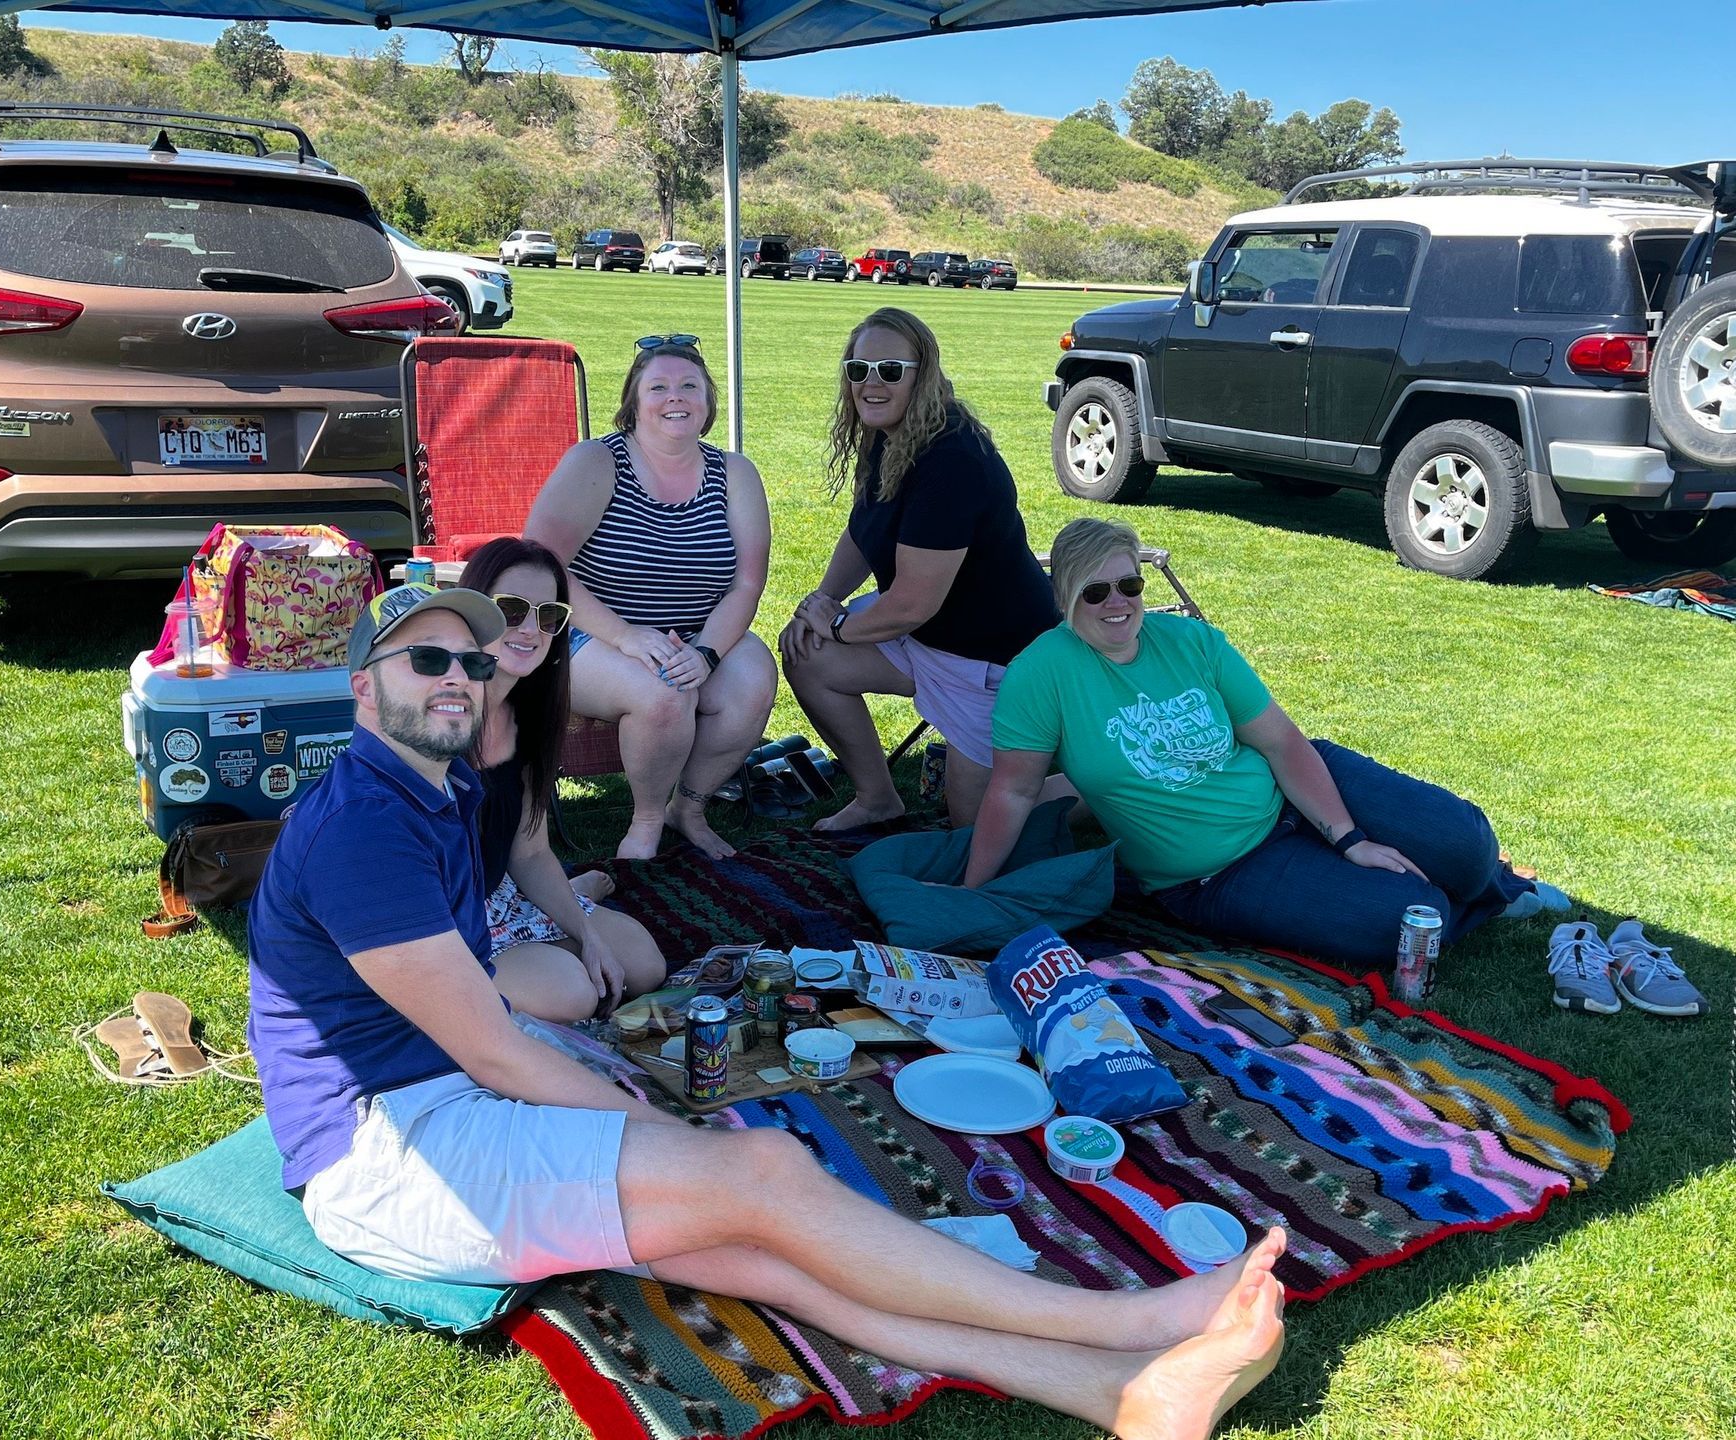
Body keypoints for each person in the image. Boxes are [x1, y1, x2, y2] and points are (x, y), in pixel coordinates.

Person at [246, 579, 1290, 1440]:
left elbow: (490, 1025)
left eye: (472, 663)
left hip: (446, 1100)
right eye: (425, 661)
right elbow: (499, 1053)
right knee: (764, 1174)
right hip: (385, 1155)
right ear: (358, 687)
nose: (458, 681)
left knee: (757, 1252)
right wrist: (660, 1131)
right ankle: (1131, 1320)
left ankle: (1124, 1395)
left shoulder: (442, 788)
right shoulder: (362, 828)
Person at [964, 518, 1552, 970]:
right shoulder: (1040, 675)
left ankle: (1485, 881)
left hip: (1292, 788)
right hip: (1215, 875)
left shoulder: (1191, 641)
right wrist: (973, 889)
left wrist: (1347, 840)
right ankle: (1482, 897)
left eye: (1130, 583)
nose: (1117, 602)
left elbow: (1282, 742)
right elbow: (1013, 791)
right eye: (1095, 592)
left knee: (1467, 843)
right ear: (1065, 596)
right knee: (1402, 923)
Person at [781, 308, 1058, 830]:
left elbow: (910, 604)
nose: (870, 383)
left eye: (889, 370)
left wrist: (836, 623)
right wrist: (818, 604)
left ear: (922, 374)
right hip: (927, 640)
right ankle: (877, 798)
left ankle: (1099, 783)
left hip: (993, 663)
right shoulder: (890, 433)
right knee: (807, 653)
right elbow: (865, 532)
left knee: (973, 827)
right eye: (857, 370)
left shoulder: (952, 460)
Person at [525, 335, 776, 861]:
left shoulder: (735, 473)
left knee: (752, 681)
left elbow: (747, 584)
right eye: (657, 386)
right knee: (663, 696)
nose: (674, 397)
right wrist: (628, 637)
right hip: (585, 633)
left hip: (694, 634)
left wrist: (706, 653)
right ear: (633, 402)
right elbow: (542, 567)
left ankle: (690, 806)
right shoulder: (597, 462)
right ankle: (645, 821)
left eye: (689, 386)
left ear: (707, 401)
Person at [459, 536, 667, 1022]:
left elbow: (529, 851)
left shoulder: (525, 716)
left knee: (643, 966)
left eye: (548, 616)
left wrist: (587, 934)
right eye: (510, 610)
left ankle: (571, 904)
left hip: (500, 892)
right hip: (441, 921)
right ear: (472, 612)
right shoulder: (441, 711)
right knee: (574, 994)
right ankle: (565, 914)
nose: (530, 629)